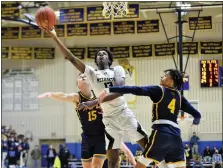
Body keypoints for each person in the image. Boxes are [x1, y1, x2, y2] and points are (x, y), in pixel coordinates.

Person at [42, 28, 147, 168]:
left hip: (123, 112)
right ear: (96, 60)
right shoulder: (91, 73)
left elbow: (119, 91)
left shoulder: (117, 70)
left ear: (109, 59)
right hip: (109, 119)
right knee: (112, 161)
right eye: (98, 55)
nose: (101, 55)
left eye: (104, 54)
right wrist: (55, 37)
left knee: (148, 146)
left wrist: (95, 101)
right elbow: (71, 58)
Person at [99, 69, 201, 168]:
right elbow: (197, 114)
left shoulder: (159, 90)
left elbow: (135, 89)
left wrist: (110, 89)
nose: (162, 77)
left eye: (165, 75)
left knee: (142, 163)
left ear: (171, 80)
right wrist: (195, 122)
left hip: (161, 133)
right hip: (176, 136)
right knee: (175, 165)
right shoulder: (179, 96)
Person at [38, 73, 136, 168]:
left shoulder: (98, 95)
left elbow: (112, 98)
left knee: (97, 166)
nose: (83, 76)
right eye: (80, 76)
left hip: (101, 136)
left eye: (85, 76)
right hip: (87, 137)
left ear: (90, 81)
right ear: (77, 84)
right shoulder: (77, 97)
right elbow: (63, 95)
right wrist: (50, 94)